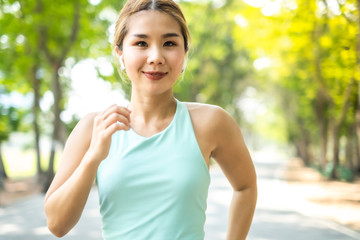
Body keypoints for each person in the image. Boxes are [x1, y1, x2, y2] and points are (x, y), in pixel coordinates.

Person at [44, 0, 257, 239]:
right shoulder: (93, 128)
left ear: (185, 52)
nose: (155, 57)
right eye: (141, 43)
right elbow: (56, 225)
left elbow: (245, 187)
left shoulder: (212, 122)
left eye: (169, 43)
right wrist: (93, 157)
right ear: (120, 53)